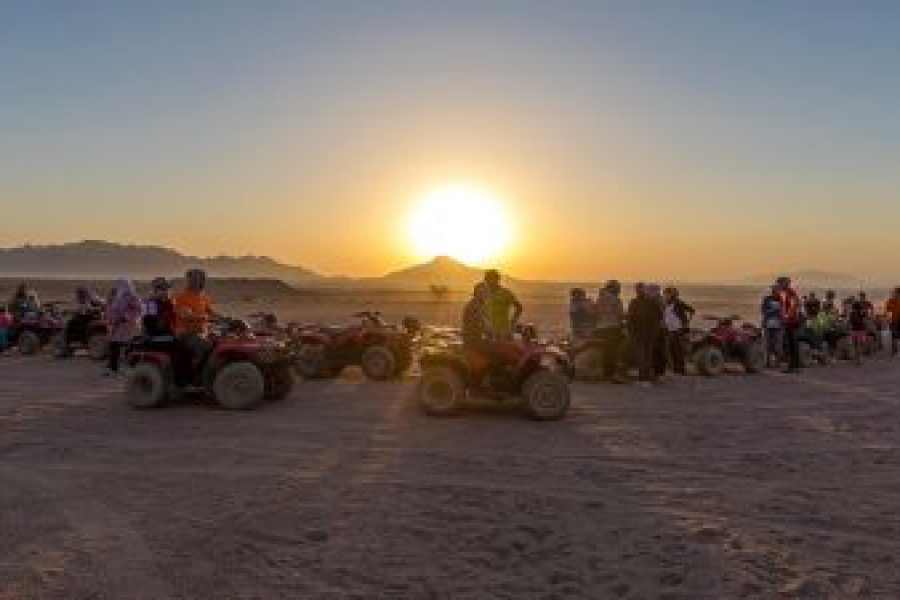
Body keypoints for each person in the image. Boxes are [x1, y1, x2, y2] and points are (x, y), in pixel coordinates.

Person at [173, 268, 218, 366]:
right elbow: (185, 315)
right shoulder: (181, 297)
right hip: (186, 334)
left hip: (201, 332)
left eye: (199, 279)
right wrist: (204, 317)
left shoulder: (203, 297)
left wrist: (226, 319)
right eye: (193, 279)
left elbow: (211, 312)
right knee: (205, 345)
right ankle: (194, 368)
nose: (196, 282)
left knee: (218, 341)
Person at [627, 282, 663, 385]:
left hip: (639, 333)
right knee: (647, 356)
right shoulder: (652, 302)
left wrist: (631, 331)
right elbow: (659, 316)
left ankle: (643, 378)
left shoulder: (634, 302)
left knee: (641, 356)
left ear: (636, 291)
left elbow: (630, 318)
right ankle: (646, 377)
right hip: (650, 333)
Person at [105, 278, 142, 376]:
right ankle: (113, 368)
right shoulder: (116, 297)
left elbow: (138, 310)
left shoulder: (133, 297)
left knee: (129, 347)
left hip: (128, 326)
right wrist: (112, 320)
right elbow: (111, 310)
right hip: (117, 326)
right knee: (114, 346)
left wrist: (127, 317)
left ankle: (130, 369)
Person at [595, 280, 625, 382]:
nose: (619, 290)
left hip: (601, 328)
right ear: (612, 288)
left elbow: (596, 312)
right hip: (612, 328)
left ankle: (606, 374)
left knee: (606, 352)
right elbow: (620, 314)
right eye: (618, 287)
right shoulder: (615, 299)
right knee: (613, 352)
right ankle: (612, 375)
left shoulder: (600, 298)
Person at [61, 286, 105, 356]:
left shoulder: (88, 299)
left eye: (79, 293)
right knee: (73, 322)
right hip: (91, 317)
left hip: (87, 318)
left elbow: (83, 309)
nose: (78, 294)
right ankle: (74, 343)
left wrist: (94, 309)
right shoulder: (90, 298)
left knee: (70, 324)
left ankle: (68, 344)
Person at [482, 269, 522, 339]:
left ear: (498, 279)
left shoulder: (506, 293)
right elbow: (482, 310)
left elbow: (519, 307)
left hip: (504, 331)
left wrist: (512, 322)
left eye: (493, 279)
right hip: (489, 332)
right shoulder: (484, 293)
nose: (490, 281)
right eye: (488, 279)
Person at [663, 287, 695, 375]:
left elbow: (691, 310)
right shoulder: (665, 304)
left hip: (678, 330)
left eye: (667, 294)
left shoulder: (678, 303)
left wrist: (686, 322)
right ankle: (676, 370)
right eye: (665, 294)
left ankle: (681, 370)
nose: (665, 295)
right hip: (669, 330)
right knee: (672, 350)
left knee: (678, 351)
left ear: (671, 294)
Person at [777, 277, 802, 373]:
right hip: (788, 321)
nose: (779, 285)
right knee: (789, 344)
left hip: (792, 322)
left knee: (792, 344)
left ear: (785, 284)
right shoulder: (783, 293)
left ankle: (794, 366)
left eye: (780, 283)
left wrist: (786, 317)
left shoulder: (790, 293)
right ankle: (792, 366)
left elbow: (793, 307)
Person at [761, 285, 784, 368]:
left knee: (778, 345)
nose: (775, 291)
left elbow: (784, 312)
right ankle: (768, 362)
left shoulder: (782, 300)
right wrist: (772, 311)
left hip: (778, 325)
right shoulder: (767, 299)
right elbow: (763, 311)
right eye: (774, 290)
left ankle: (777, 362)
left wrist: (780, 314)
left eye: (777, 290)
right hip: (768, 324)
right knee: (768, 345)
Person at [885, 287, 900, 356]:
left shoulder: (891, 301)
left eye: (896, 292)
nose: (895, 294)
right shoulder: (891, 301)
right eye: (895, 292)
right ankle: (894, 350)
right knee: (894, 335)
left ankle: (895, 349)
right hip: (894, 321)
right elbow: (888, 311)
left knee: (896, 336)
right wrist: (889, 319)